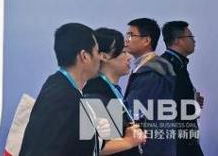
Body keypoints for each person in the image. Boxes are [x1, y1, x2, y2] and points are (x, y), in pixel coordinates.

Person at [19, 23, 101, 156]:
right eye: (97, 51)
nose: (100, 57)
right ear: (84, 56)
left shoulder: (57, 84)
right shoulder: (65, 99)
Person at [84, 28, 146, 155]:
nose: (129, 57)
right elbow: (92, 147)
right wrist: (129, 141)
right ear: (103, 56)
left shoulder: (110, 91)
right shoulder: (94, 96)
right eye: (123, 52)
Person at [124, 18, 176, 156]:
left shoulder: (152, 72)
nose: (126, 40)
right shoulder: (153, 67)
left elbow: (132, 111)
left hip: (152, 148)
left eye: (131, 35)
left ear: (146, 40)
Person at [161, 21, 204, 156]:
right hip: (177, 144)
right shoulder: (167, 66)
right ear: (178, 40)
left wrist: (192, 103)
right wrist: (191, 106)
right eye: (190, 37)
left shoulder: (177, 64)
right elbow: (163, 106)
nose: (194, 41)